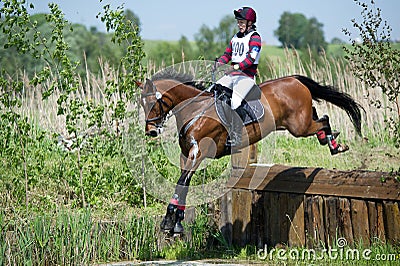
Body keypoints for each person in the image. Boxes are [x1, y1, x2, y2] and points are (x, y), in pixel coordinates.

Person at [216, 6, 262, 147]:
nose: (239, 24)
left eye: (242, 22)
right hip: (233, 75)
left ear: (250, 23)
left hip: (246, 77)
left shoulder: (255, 38)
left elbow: (250, 59)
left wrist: (235, 67)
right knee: (215, 91)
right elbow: (227, 54)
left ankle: (236, 135)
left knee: (235, 101)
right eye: (238, 22)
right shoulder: (236, 37)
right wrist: (219, 63)